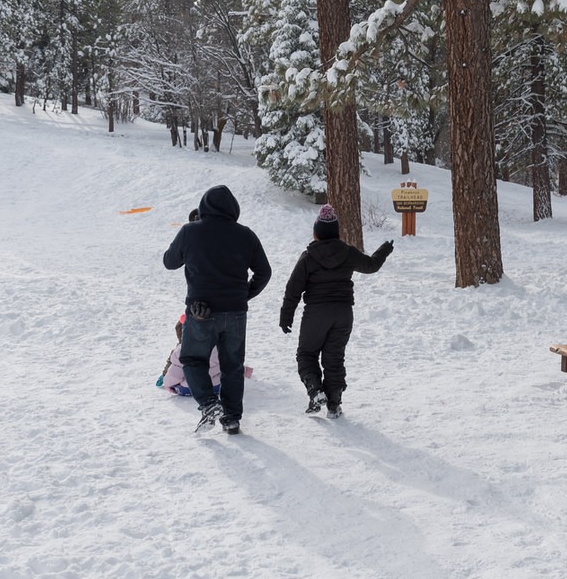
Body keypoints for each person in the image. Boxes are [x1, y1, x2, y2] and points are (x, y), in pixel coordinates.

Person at [163, 185, 272, 434]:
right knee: (232, 365)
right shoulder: (246, 235)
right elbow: (264, 272)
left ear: (204, 207)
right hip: (236, 313)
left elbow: (169, 262)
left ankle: (209, 404)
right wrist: (244, 294)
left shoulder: (190, 231)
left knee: (192, 359)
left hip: (201, 311)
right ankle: (231, 419)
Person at [278, 204, 393, 418]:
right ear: (336, 231)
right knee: (334, 358)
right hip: (343, 313)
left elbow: (293, 289)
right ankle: (334, 404)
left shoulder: (308, 257)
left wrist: (286, 316)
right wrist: (384, 249)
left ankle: (315, 391)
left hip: (316, 314)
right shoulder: (347, 253)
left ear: (316, 232)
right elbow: (371, 265)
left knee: (306, 353)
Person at [158, 313, 253, 396]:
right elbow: (231, 363)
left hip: (190, 388)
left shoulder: (180, 350)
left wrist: (167, 383)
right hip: (217, 385)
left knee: (184, 377)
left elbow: (175, 372)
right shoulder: (219, 345)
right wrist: (244, 370)